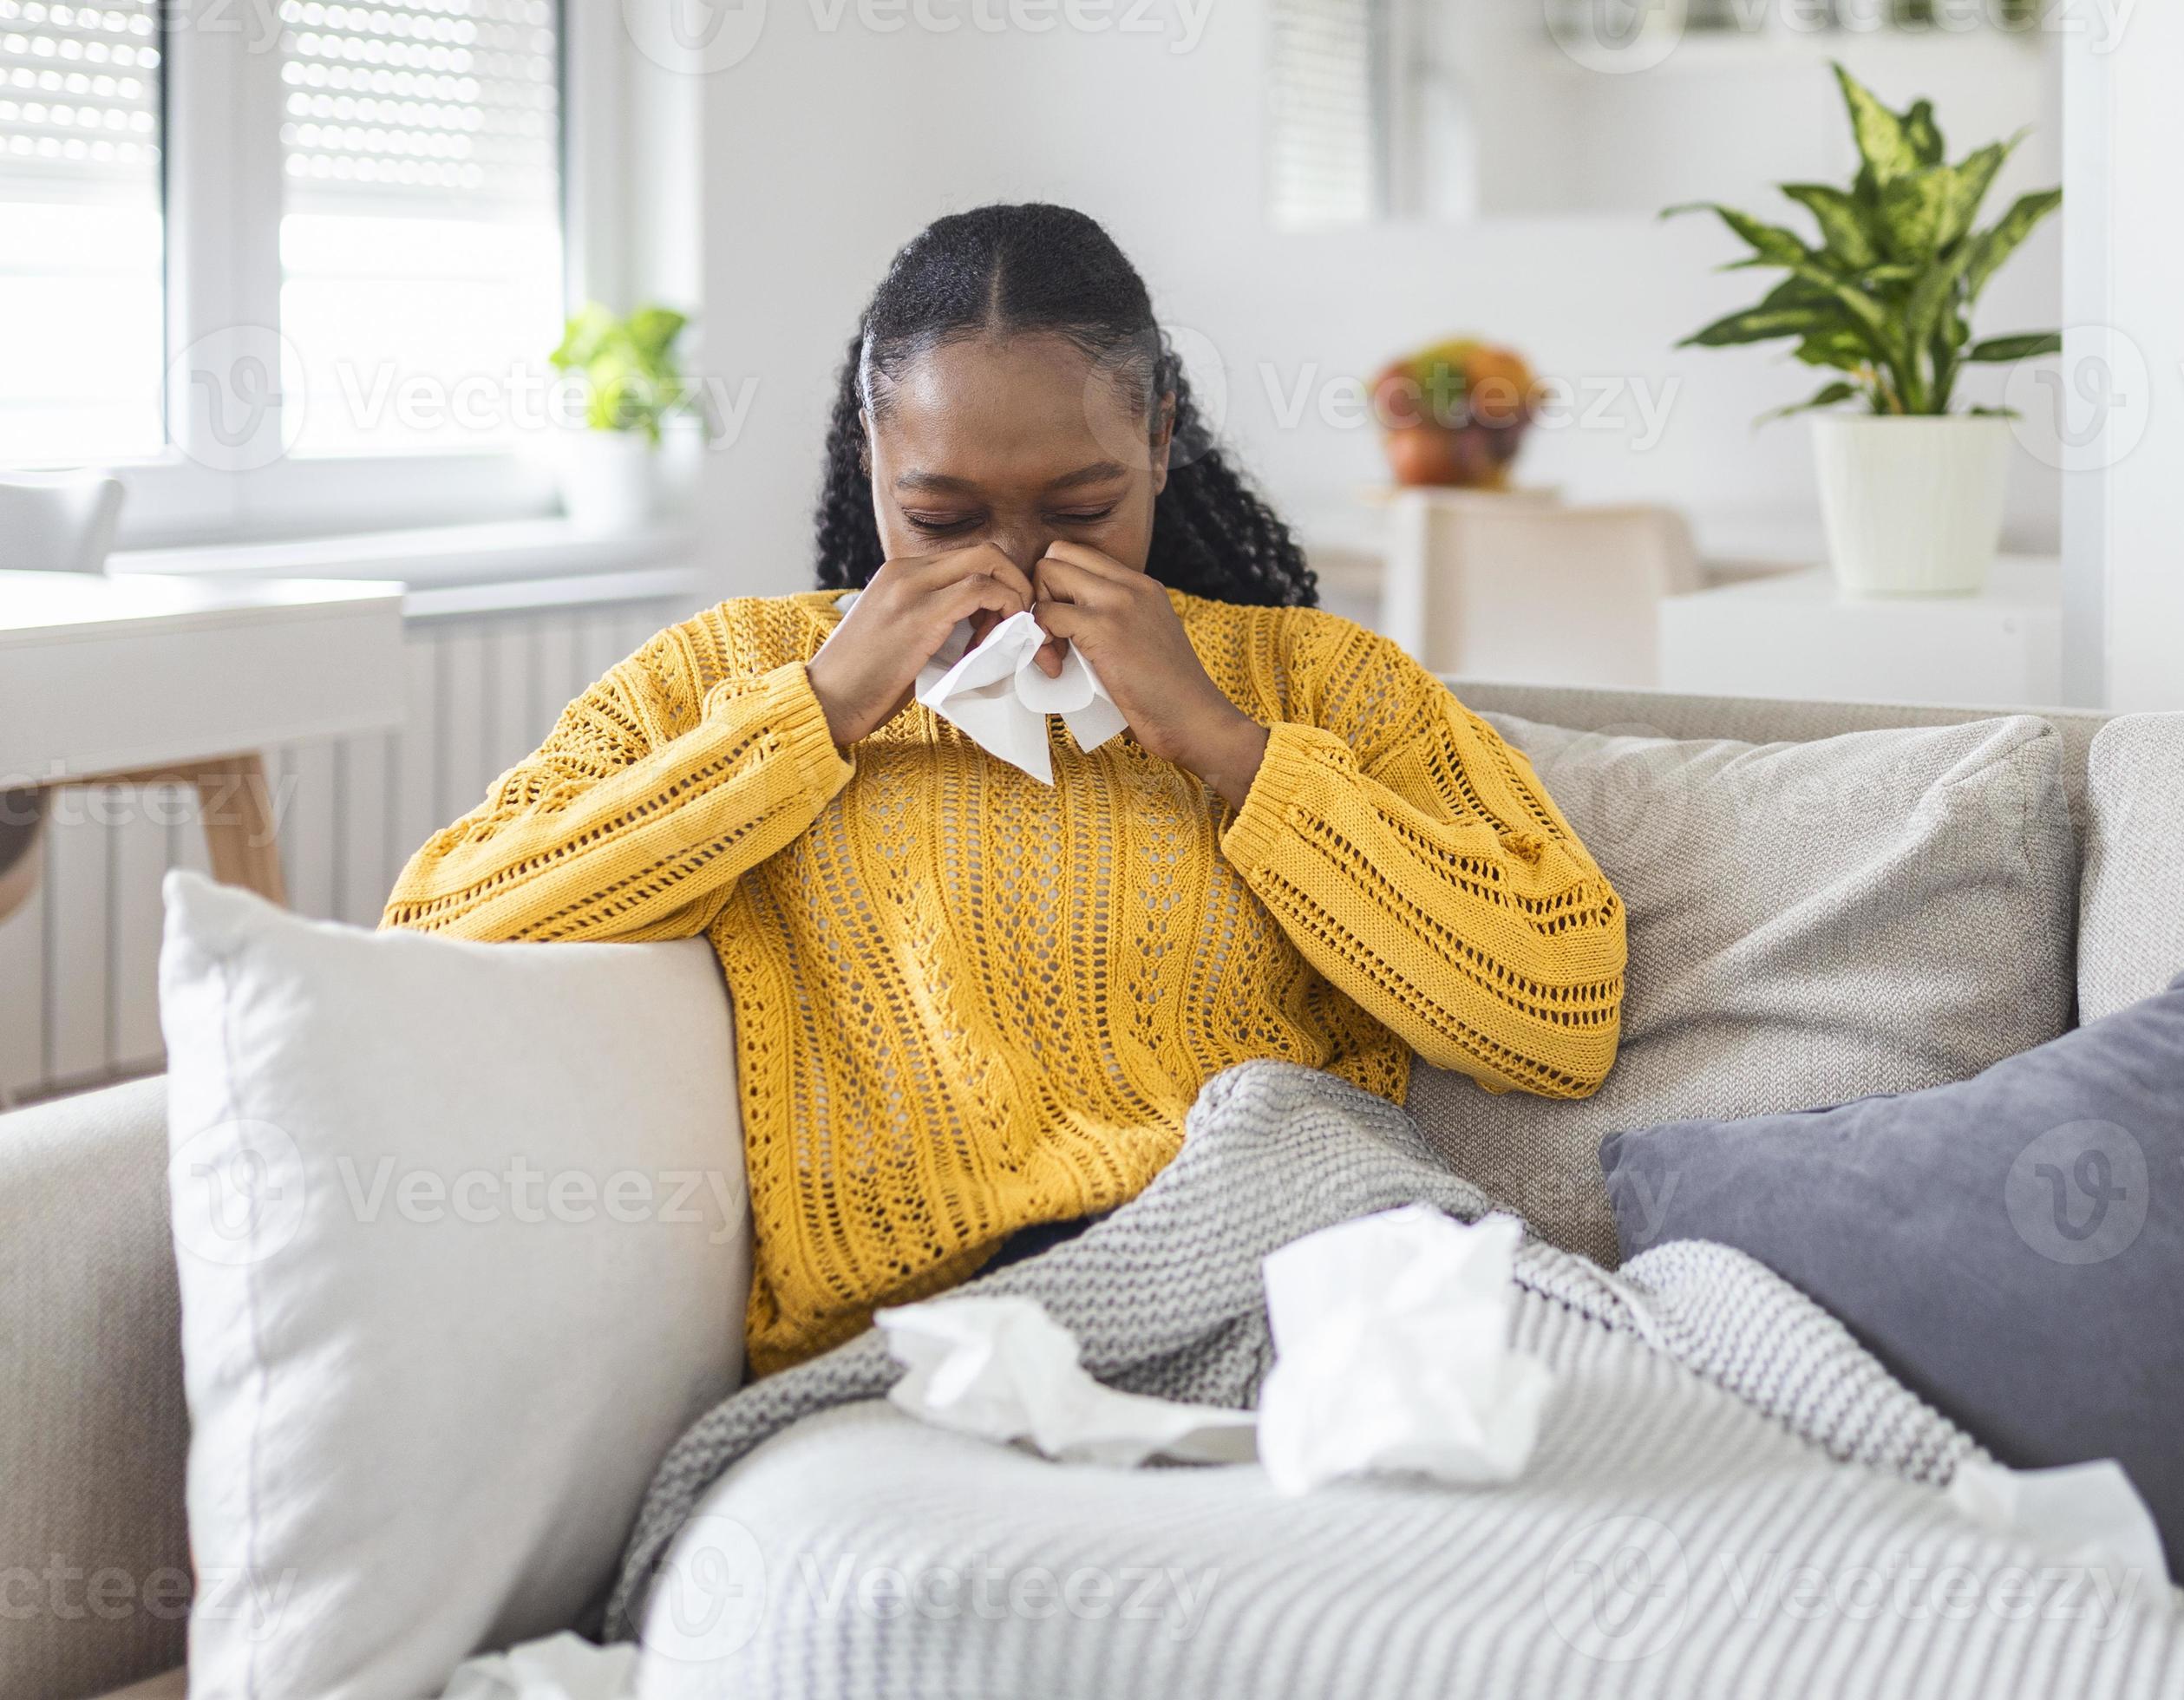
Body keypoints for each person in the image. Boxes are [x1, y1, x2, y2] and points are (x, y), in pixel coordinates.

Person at [384, 203, 1625, 1376]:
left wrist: (1229, 749)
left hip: (1315, 1291)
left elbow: (1557, 1014)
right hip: (943, 1340)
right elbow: (432, 939)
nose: (1015, 569)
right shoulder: (733, 677)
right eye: (941, 516)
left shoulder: (1313, 684)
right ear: (872, 455)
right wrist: (808, 717)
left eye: (1082, 509)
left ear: (1160, 441)